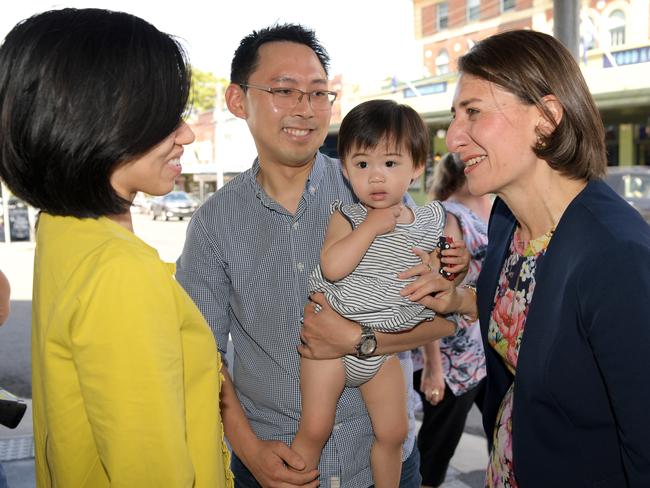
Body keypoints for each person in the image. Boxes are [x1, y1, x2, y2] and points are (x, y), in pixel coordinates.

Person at [176, 24, 459, 488]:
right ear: (236, 100)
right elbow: (202, 355)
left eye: (318, 93)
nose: (305, 109)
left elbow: (446, 317)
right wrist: (248, 450)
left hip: (383, 464)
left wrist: (360, 338)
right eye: (284, 91)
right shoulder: (212, 224)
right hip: (275, 466)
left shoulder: (378, 192)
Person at [403, 29, 650, 487]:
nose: (452, 138)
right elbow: (531, 313)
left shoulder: (618, 255)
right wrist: (459, 299)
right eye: (455, 116)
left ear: (547, 117)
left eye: (473, 112)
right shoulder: (506, 220)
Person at [0, 9, 233, 487]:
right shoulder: (118, 271)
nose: (187, 133)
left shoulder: (64, 230)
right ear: (99, 119)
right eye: (167, 117)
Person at [291, 100, 465, 487]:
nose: (376, 177)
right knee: (314, 430)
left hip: (384, 349)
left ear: (417, 168)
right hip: (328, 348)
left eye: (390, 163)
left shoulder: (431, 220)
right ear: (346, 170)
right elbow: (333, 267)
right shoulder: (347, 216)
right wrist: (370, 227)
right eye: (362, 164)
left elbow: (446, 281)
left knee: (393, 433)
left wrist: (449, 268)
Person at [411, 153, 491, 487]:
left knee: (503, 441)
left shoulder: (495, 207)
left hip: (485, 355)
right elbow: (431, 290)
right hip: (452, 361)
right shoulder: (449, 215)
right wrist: (433, 367)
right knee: (435, 454)